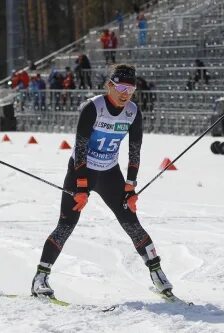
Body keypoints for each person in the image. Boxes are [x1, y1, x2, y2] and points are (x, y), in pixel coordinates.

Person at [31, 64, 177, 301]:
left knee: (130, 221)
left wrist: (130, 186)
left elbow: (135, 150)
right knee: (66, 224)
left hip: (110, 173)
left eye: (130, 89)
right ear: (110, 85)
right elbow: (79, 148)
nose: (125, 94)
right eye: (120, 87)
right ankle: (40, 277)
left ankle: (157, 273)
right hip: (82, 171)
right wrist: (80, 187)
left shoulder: (132, 112)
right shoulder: (93, 108)